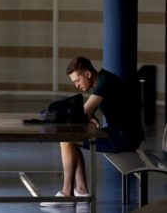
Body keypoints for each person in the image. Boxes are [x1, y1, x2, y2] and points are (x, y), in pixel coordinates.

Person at [41, 56, 144, 207]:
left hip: (125, 138)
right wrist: (89, 116)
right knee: (70, 140)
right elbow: (88, 112)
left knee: (67, 140)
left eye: (77, 80)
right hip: (120, 134)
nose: (76, 85)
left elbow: (83, 113)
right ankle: (81, 191)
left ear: (87, 74)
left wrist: (86, 115)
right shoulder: (102, 80)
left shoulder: (105, 82)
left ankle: (67, 194)